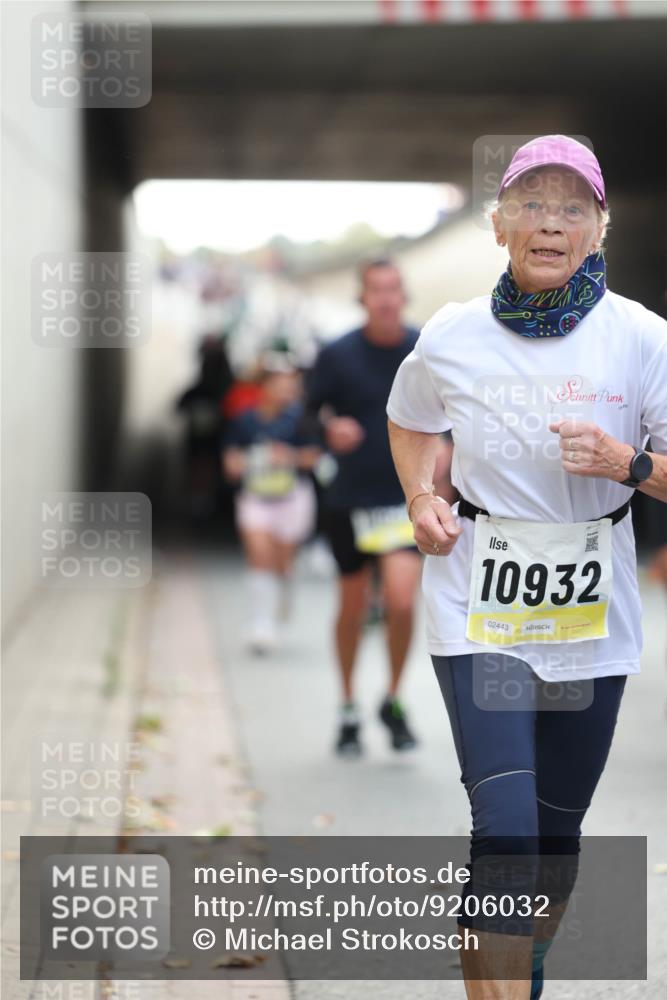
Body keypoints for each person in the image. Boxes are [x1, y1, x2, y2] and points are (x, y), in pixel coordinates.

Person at [386, 135, 667, 998]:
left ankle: (524, 970)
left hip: (591, 616)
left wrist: (630, 464)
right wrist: (420, 497)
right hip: (479, 605)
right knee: (504, 833)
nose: (551, 224)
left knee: (552, 841)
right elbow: (411, 419)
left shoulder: (643, 338)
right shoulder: (451, 334)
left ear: (599, 230)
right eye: (532, 206)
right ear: (498, 224)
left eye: (571, 208)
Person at [306, 259, 453, 756]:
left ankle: (392, 698)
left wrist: (448, 449)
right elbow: (304, 416)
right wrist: (329, 431)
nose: (385, 299)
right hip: (350, 497)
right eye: (376, 290)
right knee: (350, 607)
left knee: (401, 601)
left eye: (393, 289)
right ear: (363, 297)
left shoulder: (425, 347)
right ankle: (347, 705)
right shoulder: (336, 355)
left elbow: (451, 410)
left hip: (402, 497)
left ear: (404, 294)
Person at [222, 353, 320, 653]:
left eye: (291, 386)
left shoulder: (301, 421)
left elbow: (314, 457)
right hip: (256, 498)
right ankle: (261, 624)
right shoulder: (244, 421)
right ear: (264, 387)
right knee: (259, 553)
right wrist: (240, 463)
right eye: (280, 385)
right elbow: (229, 460)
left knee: (281, 560)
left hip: (292, 498)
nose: (286, 392)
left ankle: (284, 585)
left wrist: (288, 457)